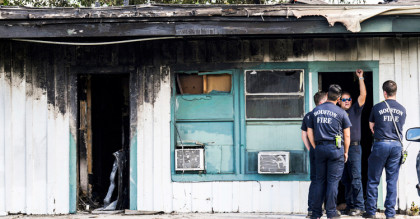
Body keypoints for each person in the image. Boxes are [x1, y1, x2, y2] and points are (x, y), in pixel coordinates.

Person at [307, 84, 352, 219]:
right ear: (338, 98)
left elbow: (310, 131)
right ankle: (331, 212)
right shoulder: (341, 112)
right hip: (335, 149)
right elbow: (347, 135)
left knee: (319, 181)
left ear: (327, 95)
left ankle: (316, 213)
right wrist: (346, 152)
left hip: (320, 148)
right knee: (332, 182)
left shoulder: (315, 111)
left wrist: (315, 146)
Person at [363, 80, 406, 219]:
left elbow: (371, 126)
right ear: (395, 92)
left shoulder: (377, 108)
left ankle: (370, 212)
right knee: (392, 181)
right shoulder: (402, 109)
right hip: (396, 146)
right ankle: (390, 214)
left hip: (381, 144)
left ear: (384, 92)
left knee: (373, 180)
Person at [339, 69, 367, 216]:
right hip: (340, 149)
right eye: (344, 99)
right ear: (339, 101)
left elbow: (363, 95)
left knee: (356, 178)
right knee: (345, 179)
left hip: (354, 148)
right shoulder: (336, 113)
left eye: (349, 99)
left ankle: (360, 206)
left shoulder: (355, 109)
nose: (348, 101)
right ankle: (350, 206)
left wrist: (361, 78)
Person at [301, 91, 328, 218]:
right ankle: (327, 208)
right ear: (322, 102)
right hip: (324, 148)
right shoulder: (324, 114)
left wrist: (311, 148)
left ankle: (312, 209)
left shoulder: (308, 115)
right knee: (327, 179)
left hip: (314, 150)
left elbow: (304, 135)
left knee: (315, 180)